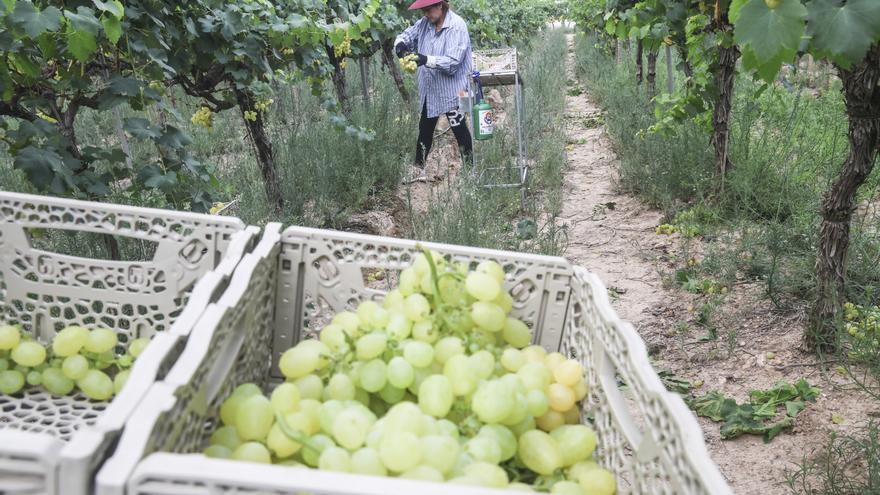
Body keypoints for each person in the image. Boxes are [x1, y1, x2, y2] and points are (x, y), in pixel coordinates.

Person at [395, 0, 473, 183]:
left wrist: (426, 59)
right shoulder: (424, 24)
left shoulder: (456, 27)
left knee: (459, 128)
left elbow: (453, 63)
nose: (425, 14)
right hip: (431, 89)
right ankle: (418, 168)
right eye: (423, 10)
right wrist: (401, 46)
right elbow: (405, 35)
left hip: (455, 90)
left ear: (441, 5)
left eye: (428, 10)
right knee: (425, 128)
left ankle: (471, 171)